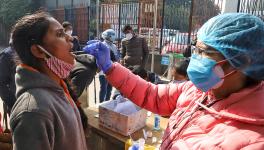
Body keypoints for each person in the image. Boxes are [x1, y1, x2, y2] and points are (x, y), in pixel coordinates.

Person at [84, 13, 264, 149]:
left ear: (241, 61)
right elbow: (151, 94)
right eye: (196, 49)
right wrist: (110, 67)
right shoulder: (197, 91)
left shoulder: (253, 140)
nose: (195, 58)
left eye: (204, 52)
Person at [11, 12, 87, 150]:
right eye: (59, 34)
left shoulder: (59, 87)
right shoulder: (34, 112)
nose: (70, 38)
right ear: (39, 51)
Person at [99, 29, 119, 102]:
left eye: (113, 35)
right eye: (111, 35)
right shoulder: (102, 45)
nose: (113, 37)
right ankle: (101, 104)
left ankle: (107, 103)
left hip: (112, 70)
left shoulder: (114, 46)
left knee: (109, 89)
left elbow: (116, 57)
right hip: (103, 71)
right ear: (107, 36)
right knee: (103, 88)